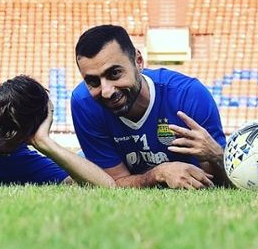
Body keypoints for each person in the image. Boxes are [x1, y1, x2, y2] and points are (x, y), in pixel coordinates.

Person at [71, 24, 228, 189]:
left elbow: (217, 182)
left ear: (138, 61)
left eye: (115, 73)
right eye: (93, 82)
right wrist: (158, 174)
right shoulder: (84, 103)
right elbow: (112, 184)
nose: (106, 92)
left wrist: (217, 156)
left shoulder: (189, 95)